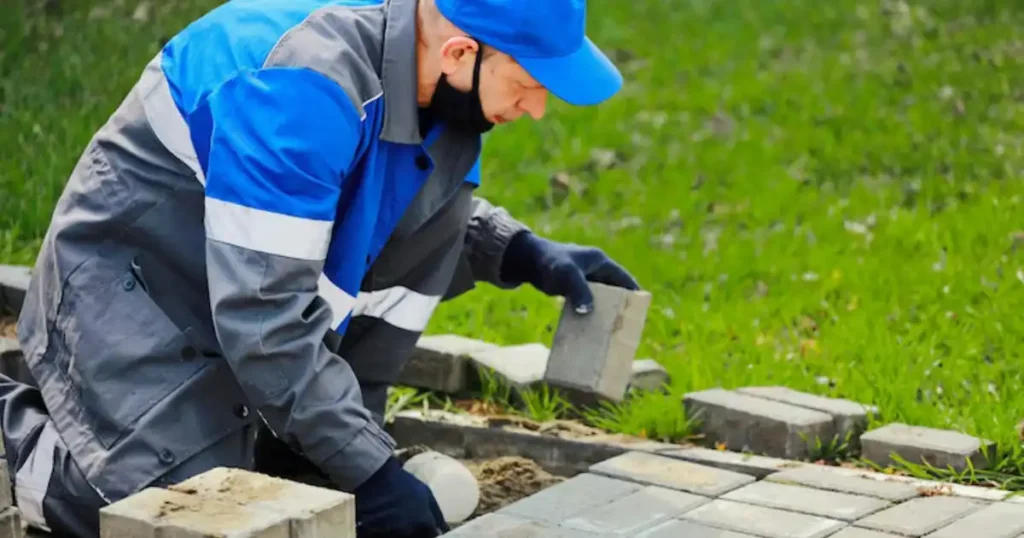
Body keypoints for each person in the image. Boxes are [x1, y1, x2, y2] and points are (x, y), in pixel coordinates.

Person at [0, 0, 639, 535]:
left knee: (284, 492)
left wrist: (516, 251)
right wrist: (375, 474)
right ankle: (14, 442)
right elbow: (264, 318)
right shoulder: (302, 86)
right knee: (178, 513)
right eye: (528, 85)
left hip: (229, 284)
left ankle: (303, 438)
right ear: (459, 54)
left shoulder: (428, 87)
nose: (535, 109)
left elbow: (393, 202)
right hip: (130, 284)